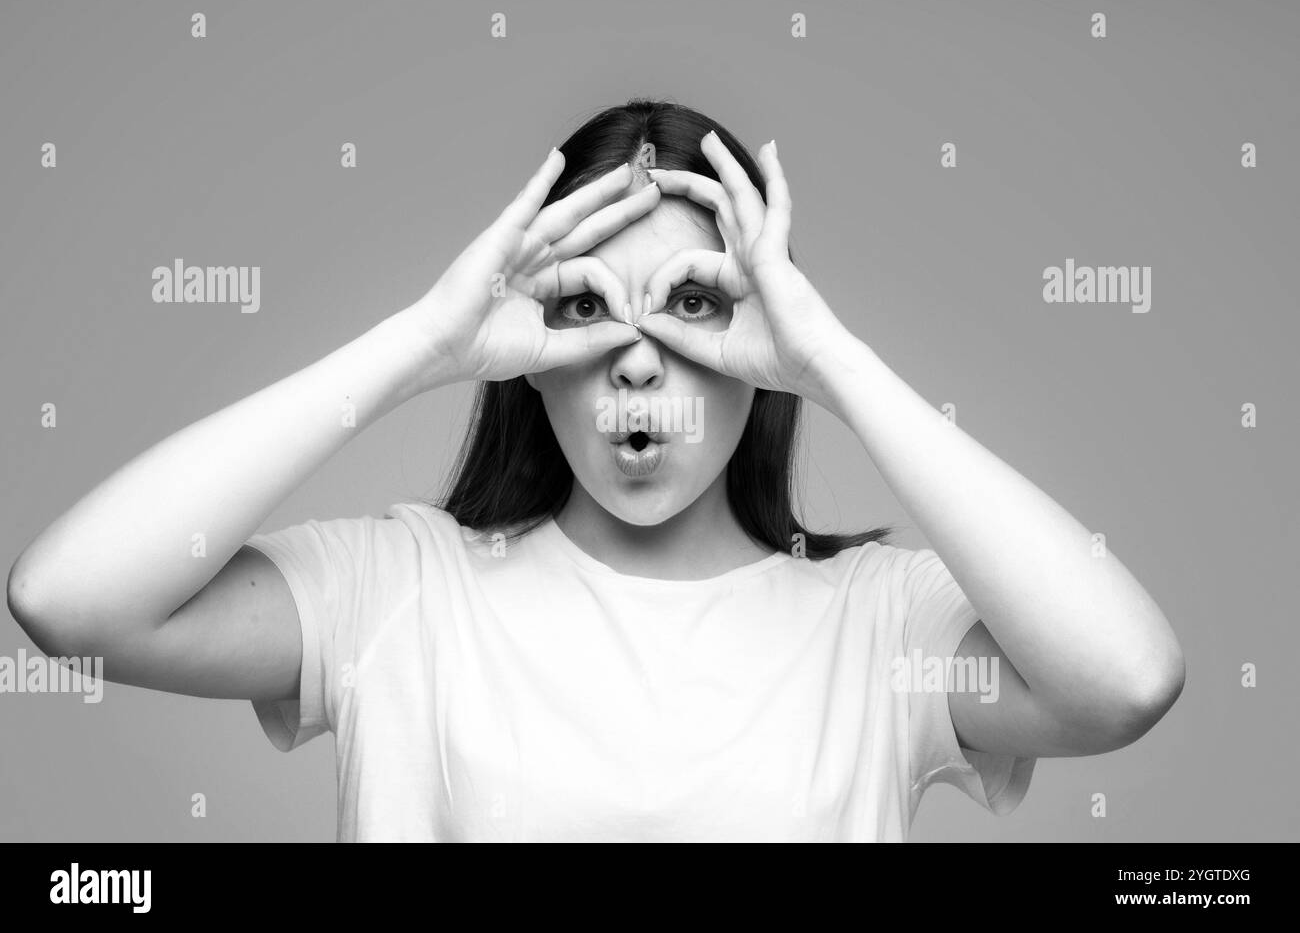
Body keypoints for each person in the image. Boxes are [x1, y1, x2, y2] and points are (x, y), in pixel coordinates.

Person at [6, 99, 1185, 841]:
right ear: (532, 343)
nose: (634, 359)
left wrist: (830, 360)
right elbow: (69, 602)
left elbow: (1127, 677)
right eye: (584, 305)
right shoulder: (400, 592)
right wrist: (424, 341)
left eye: (688, 303)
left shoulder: (877, 625)